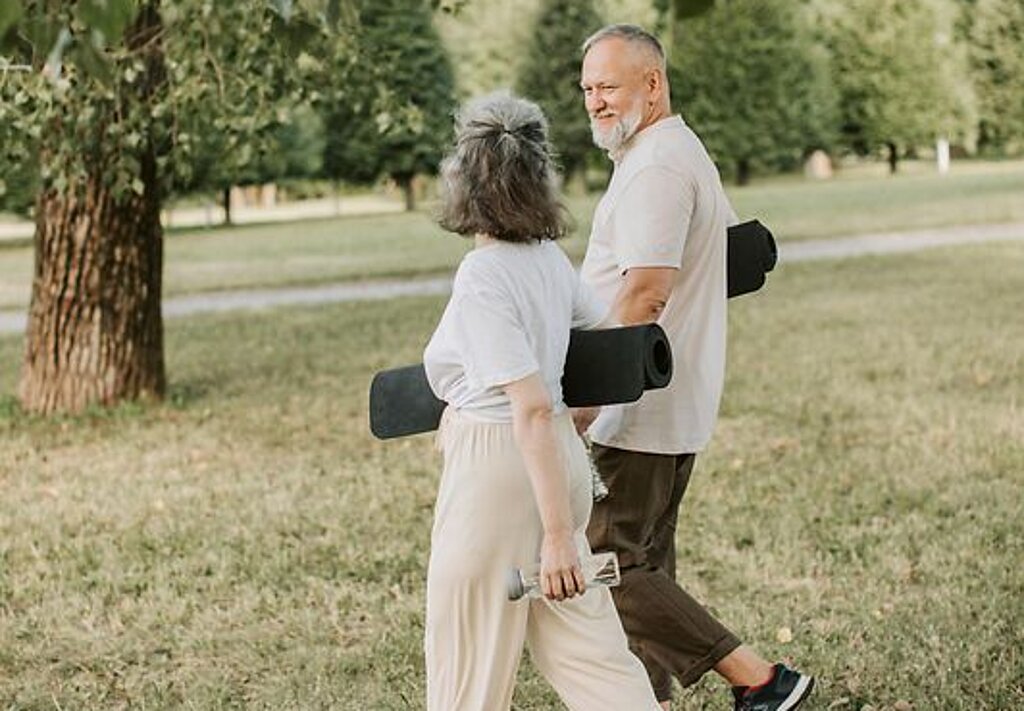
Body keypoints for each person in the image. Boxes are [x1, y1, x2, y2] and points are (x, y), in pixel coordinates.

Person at [576, 24, 815, 711]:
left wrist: (589, 394)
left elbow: (646, 289)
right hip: (668, 395)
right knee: (646, 560)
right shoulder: (672, 150)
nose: (595, 101)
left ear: (652, 84)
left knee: (607, 561)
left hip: (637, 400)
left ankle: (761, 678)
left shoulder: (655, 167)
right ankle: (643, 699)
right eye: (588, 88)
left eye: (609, 86)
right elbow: (738, 259)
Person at [421, 91, 662, 711]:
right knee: (593, 659)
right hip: (554, 460)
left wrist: (557, 535)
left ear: (467, 179)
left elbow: (525, 405)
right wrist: (570, 427)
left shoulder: (484, 276)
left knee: (468, 665)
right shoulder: (547, 259)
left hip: (499, 472)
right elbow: (598, 348)